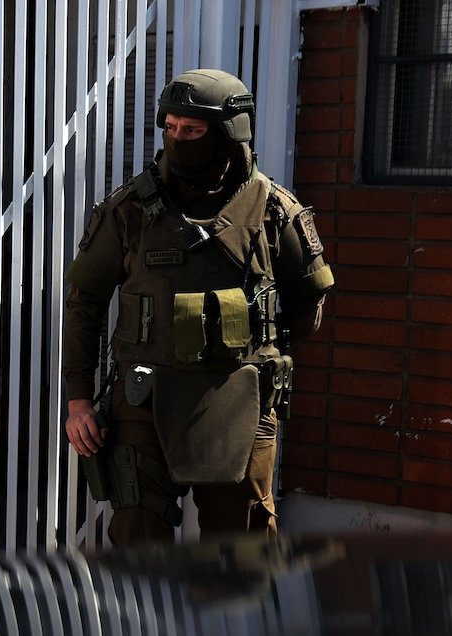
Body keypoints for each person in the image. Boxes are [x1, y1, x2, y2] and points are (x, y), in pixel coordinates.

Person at [62, 69, 334, 546]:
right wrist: (78, 400)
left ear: (230, 132)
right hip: (144, 399)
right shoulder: (130, 208)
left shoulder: (275, 211)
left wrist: (254, 342)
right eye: (170, 127)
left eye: (193, 130)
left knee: (242, 545)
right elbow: (84, 303)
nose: (177, 138)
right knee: (137, 542)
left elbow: (309, 302)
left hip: (242, 402)